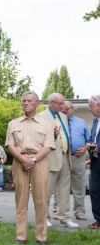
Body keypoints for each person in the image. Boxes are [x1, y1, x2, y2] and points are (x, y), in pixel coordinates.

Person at [5, 91, 54, 245]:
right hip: (19, 161)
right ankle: (21, 237)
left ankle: (41, 238)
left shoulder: (46, 123)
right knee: (21, 200)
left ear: (37, 104)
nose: (26, 103)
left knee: (41, 200)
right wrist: (22, 159)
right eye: (24, 101)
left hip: (39, 162)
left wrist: (32, 159)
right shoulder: (13, 123)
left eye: (29, 101)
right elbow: (9, 145)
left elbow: (49, 146)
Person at [39, 93, 78, 228]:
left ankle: (65, 217)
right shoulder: (41, 117)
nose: (63, 106)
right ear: (51, 103)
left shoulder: (63, 116)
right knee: (46, 190)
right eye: (60, 103)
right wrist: (53, 135)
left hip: (65, 156)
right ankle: (44, 218)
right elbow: (40, 140)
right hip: (50, 158)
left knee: (64, 190)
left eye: (63, 103)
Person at [63, 100, 89, 221]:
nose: (65, 110)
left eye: (67, 108)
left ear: (73, 109)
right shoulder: (57, 122)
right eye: (63, 108)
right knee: (61, 185)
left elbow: (89, 141)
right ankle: (60, 210)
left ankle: (79, 211)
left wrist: (84, 148)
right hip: (63, 156)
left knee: (79, 186)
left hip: (78, 157)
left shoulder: (82, 123)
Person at [88, 95, 100, 229]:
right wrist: (90, 146)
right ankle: (98, 220)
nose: (89, 109)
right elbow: (93, 139)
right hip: (95, 162)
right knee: (94, 191)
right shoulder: (95, 121)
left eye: (91, 106)